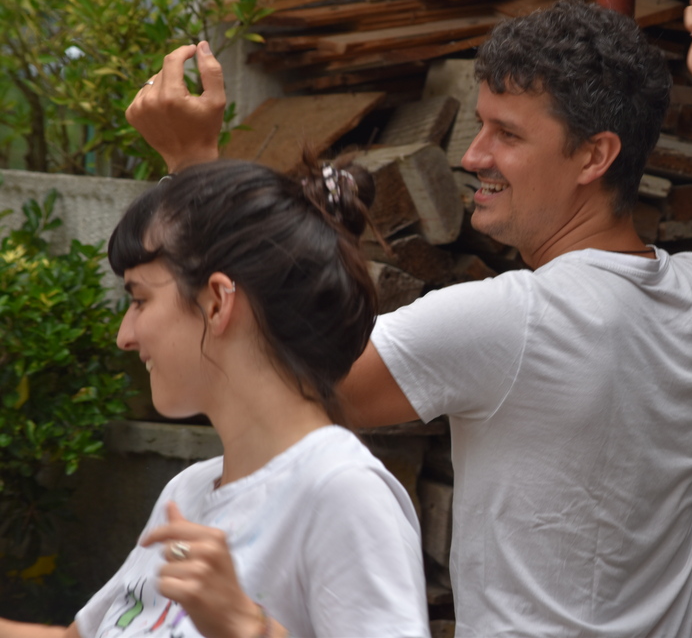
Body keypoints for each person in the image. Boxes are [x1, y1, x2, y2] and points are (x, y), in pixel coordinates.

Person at [126, 0, 692, 637]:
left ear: (594, 156)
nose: (474, 155)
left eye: (507, 135)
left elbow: (277, 383)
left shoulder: (512, 321)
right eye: (480, 126)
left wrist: (194, 167)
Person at [0, 158, 430, 638]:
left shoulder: (342, 492)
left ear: (217, 302)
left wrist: (248, 627)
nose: (124, 335)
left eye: (139, 299)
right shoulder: (187, 491)